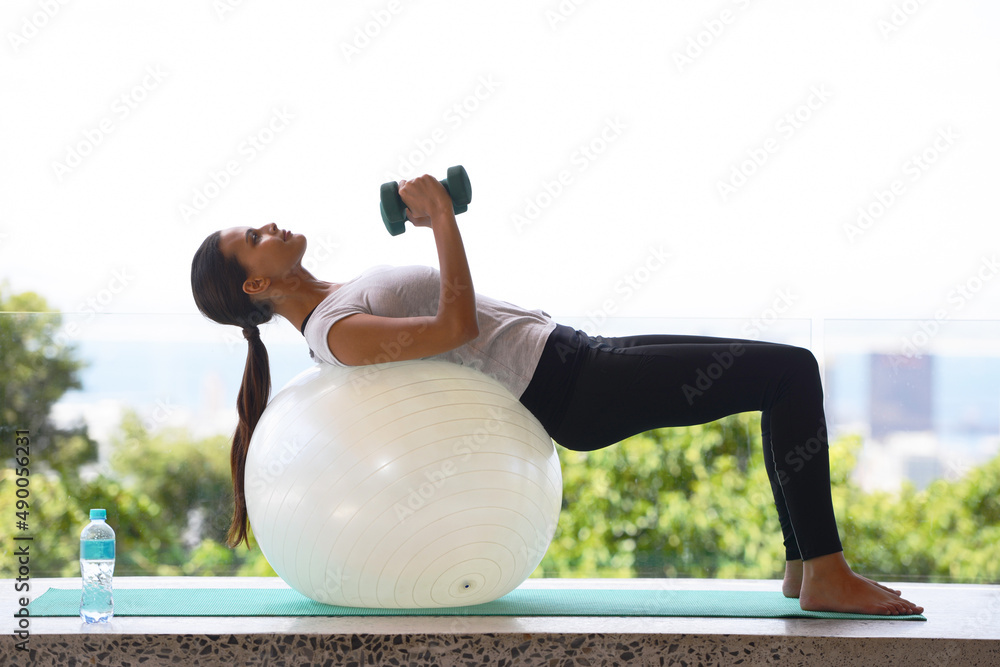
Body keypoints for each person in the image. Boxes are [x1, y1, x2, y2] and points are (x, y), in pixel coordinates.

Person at [190, 173, 923, 616]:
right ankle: (825, 569)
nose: (271, 226)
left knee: (778, 374)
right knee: (788, 371)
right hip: (570, 387)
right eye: (254, 237)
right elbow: (452, 324)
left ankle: (805, 563)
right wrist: (443, 218)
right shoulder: (337, 332)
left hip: (571, 354)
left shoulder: (334, 299)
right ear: (255, 284)